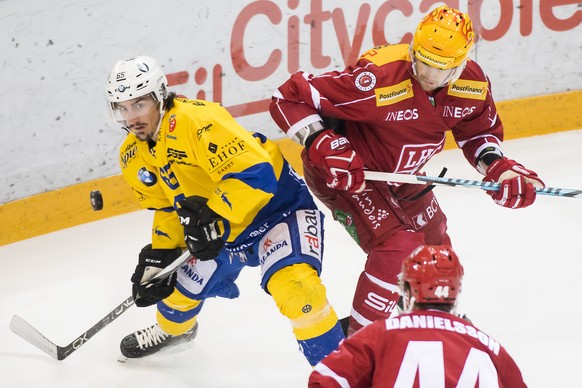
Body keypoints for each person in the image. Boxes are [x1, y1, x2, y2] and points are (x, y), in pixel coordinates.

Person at [269, 5, 545, 336]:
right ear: (413, 48)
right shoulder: (378, 76)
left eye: (439, 69)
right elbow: (286, 97)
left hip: (403, 176)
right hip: (351, 175)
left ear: (459, 66)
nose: (427, 75)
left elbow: (476, 133)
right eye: (422, 61)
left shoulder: (472, 84)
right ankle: (360, 342)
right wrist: (320, 142)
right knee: (397, 248)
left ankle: (419, 319)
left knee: (438, 254)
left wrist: (498, 168)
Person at [105, 55, 345, 365]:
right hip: (220, 228)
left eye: (138, 104)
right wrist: (160, 256)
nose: (131, 117)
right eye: (122, 108)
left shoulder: (196, 121)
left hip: (276, 213)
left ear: (160, 97)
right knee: (176, 295)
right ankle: (174, 333)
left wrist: (213, 216)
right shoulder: (131, 155)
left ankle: (341, 371)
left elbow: (257, 175)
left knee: (300, 294)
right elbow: (166, 207)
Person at [308, 245, 527, 387]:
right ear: (456, 291)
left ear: (407, 288)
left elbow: (324, 381)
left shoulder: (379, 335)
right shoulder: (488, 346)